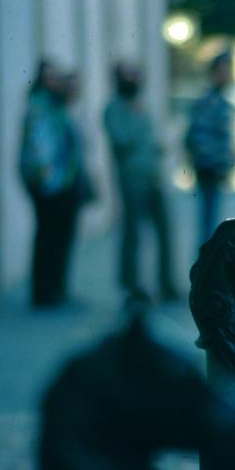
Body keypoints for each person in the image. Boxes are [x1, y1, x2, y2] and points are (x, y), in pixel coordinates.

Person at [19, 60, 96, 308]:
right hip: (50, 186)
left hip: (63, 184)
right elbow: (39, 151)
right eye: (48, 78)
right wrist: (46, 181)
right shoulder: (40, 107)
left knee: (60, 238)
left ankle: (57, 290)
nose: (53, 83)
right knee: (49, 238)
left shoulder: (58, 108)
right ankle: (45, 293)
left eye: (56, 78)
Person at [103, 61, 179, 305]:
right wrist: (136, 116)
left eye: (136, 76)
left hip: (154, 178)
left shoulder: (142, 105)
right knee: (133, 234)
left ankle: (167, 284)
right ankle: (131, 286)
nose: (133, 81)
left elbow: (150, 138)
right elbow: (122, 140)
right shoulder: (113, 109)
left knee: (165, 232)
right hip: (132, 181)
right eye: (128, 76)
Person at [184, 51, 235, 245]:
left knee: (211, 220)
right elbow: (198, 136)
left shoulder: (220, 101)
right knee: (208, 221)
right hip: (209, 169)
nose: (227, 75)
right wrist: (214, 162)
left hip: (214, 168)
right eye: (223, 71)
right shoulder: (209, 102)